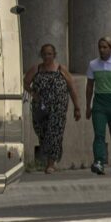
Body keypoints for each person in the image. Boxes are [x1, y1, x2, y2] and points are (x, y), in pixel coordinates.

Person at [23, 43, 80, 174]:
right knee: (42, 132)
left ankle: (51, 163)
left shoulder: (61, 69)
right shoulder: (36, 69)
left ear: (54, 55)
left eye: (49, 53)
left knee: (55, 133)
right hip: (40, 107)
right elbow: (26, 83)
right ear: (41, 55)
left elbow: (72, 88)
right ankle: (50, 158)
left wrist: (77, 107)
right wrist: (33, 93)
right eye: (44, 54)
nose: (47, 56)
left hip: (58, 108)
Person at [86, 36, 111, 175]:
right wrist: (88, 106)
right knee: (99, 134)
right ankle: (99, 161)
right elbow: (90, 86)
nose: (102, 50)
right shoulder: (93, 64)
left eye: (105, 47)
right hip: (99, 103)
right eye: (100, 47)